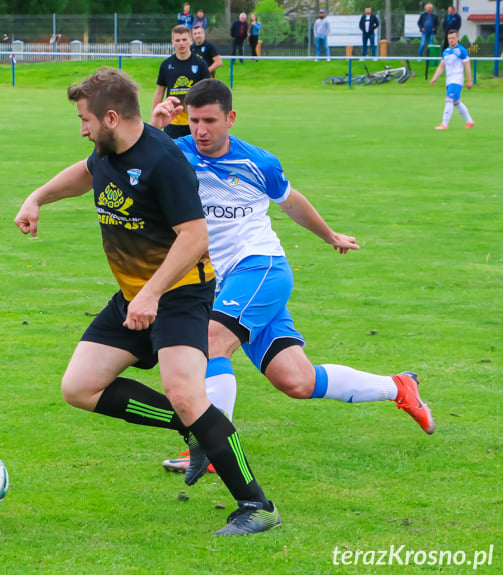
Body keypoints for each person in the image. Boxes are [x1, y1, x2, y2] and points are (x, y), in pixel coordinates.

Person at [14, 67, 281, 536]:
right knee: (79, 387)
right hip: (134, 295)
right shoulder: (108, 152)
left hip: (179, 295)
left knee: (185, 393)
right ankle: (190, 430)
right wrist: (37, 198)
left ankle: (257, 506)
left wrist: (153, 294)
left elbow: (195, 236)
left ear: (111, 117)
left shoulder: (163, 161)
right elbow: (84, 174)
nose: (82, 128)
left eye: (85, 120)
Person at [150, 79, 437, 478]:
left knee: (210, 341)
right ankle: (399, 387)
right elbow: (137, 164)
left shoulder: (258, 162)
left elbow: (291, 201)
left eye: (210, 121)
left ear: (230, 119)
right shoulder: (177, 154)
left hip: (260, 268)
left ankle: (212, 447)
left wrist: (330, 235)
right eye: (194, 120)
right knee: (296, 380)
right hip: (223, 284)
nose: (200, 130)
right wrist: (156, 125)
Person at [152, 25, 210, 139]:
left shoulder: (200, 64)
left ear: (191, 41)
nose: (181, 43)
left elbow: (207, 94)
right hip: (172, 121)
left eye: (184, 39)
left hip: (195, 121)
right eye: (178, 40)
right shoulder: (166, 65)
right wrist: (155, 117)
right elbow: (159, 93)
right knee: (172, 155)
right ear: (173, 42)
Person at [430, 29, 474, 130]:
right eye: (449, 38)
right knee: (456, 102)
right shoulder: (446, 52)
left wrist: (469, 80)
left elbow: (467, 66)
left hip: (457, 80)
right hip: (449, 81)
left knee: (449, 99)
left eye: (453, 38)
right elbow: (442, 67)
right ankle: (470, 121)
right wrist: (434, 77)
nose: (451, 40)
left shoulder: (461, 50)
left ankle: (444, 124)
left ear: (457, 38)